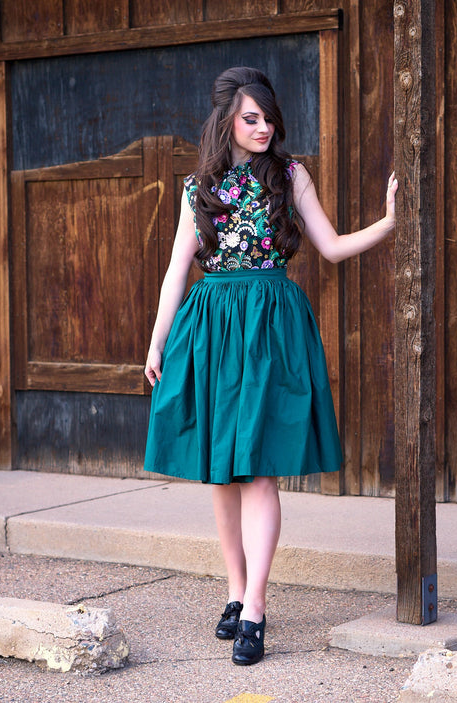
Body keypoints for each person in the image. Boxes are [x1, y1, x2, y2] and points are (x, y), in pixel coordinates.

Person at [144, 66, 397, 666]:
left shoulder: (289, 175)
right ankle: (234, 595)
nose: (263, 127)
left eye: (268, 118)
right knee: (222, 474)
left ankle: (255, 608)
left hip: (272, 326)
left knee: (260, 471)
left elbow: (331, 247)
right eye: (250, 118)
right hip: (210, 327)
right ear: (226, 120)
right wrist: (156, 343)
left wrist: (388, 224)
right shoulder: (197, 188)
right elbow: (176, 272)